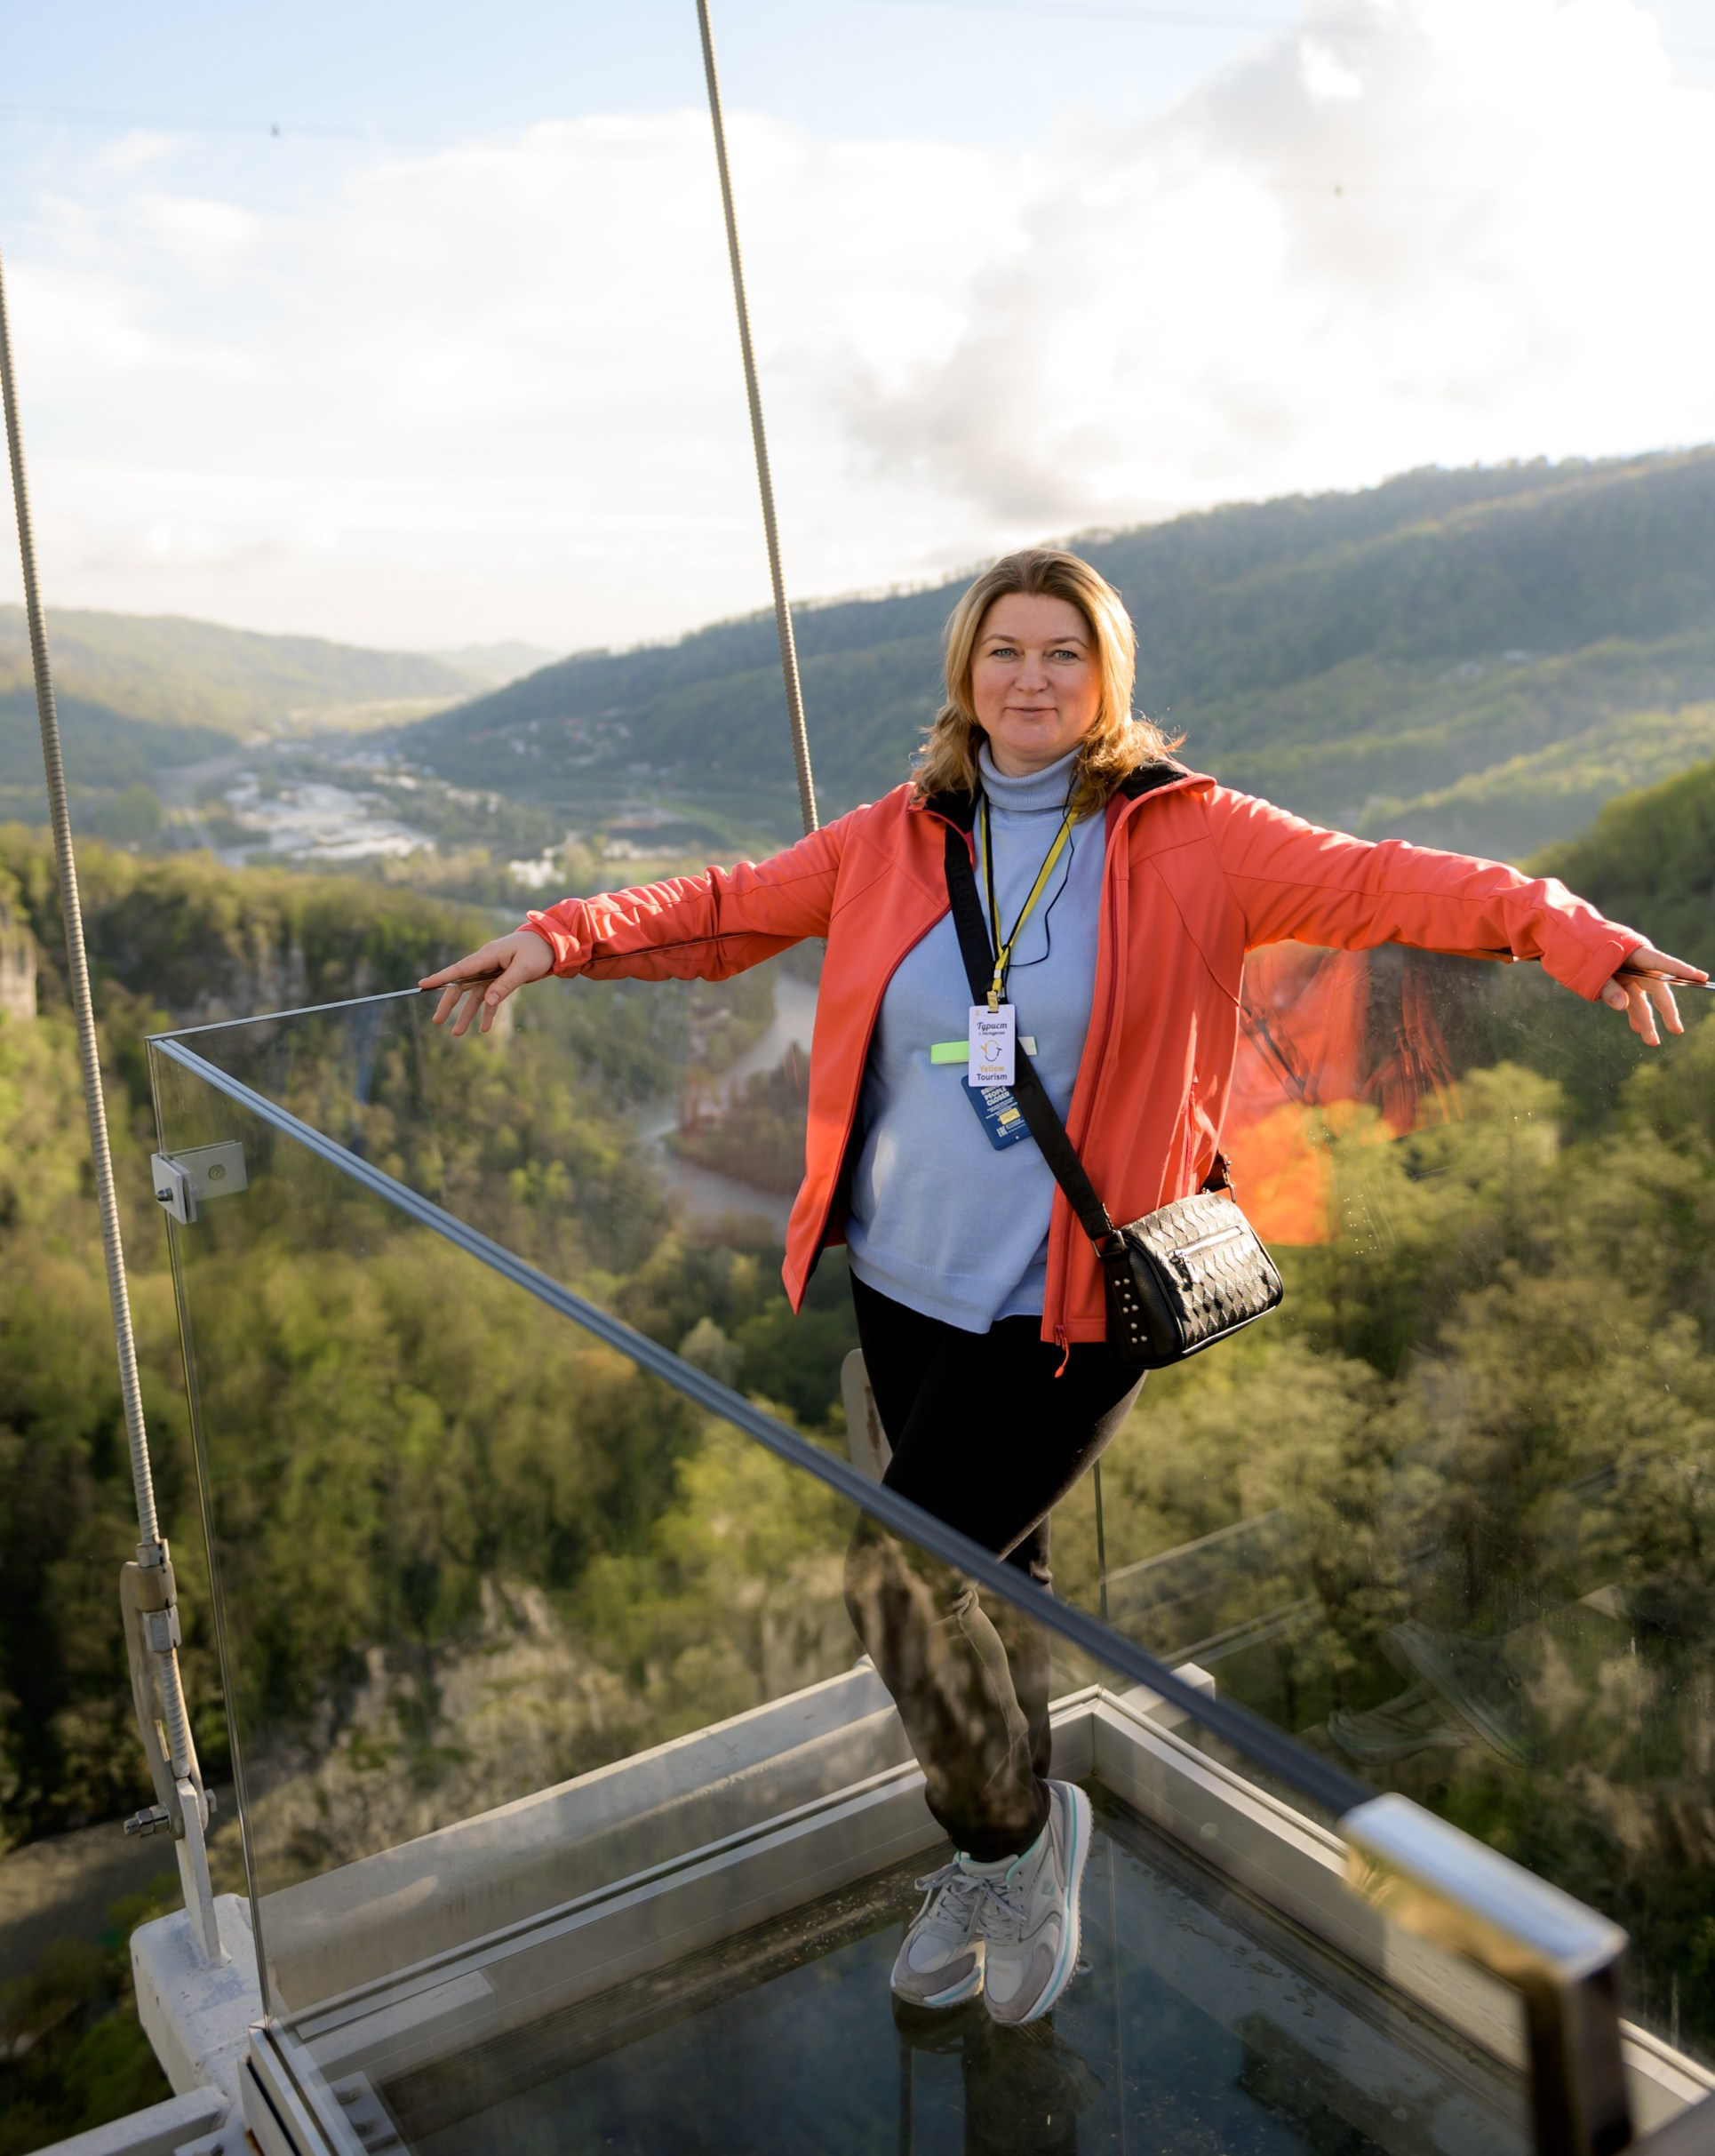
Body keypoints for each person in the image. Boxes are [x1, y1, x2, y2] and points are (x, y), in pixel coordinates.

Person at [421, 548, 1703, 2029]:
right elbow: (725, 908)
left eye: (1064, 655)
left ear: (1110, 683)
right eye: (1004, 651)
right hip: (901, 1284)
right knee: (993, 1574)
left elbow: (1383, 887)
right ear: (964, 675)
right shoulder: (898, 837)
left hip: (1069, 1303)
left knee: (893, 1578)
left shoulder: (1192, 836)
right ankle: (1006, 1836)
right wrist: (556, 938)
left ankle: (1011, 1839)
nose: (1031, 678)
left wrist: (1569, 931)